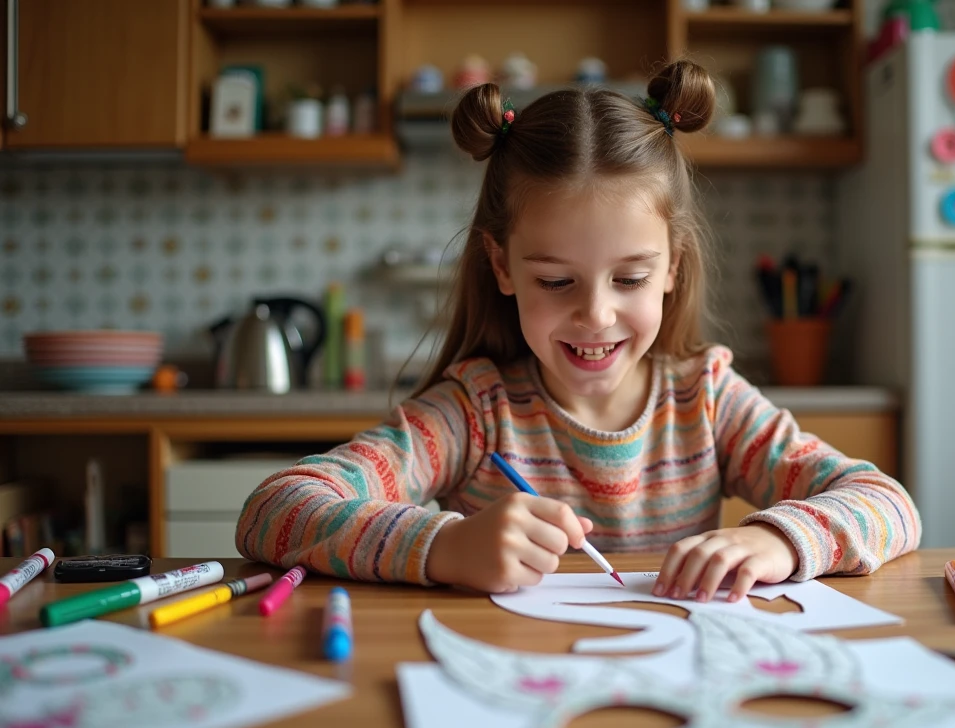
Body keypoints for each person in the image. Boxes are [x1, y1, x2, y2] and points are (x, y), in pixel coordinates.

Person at [236, 60, 920, 603]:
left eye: (629, 278)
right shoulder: (474, 411)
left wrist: (778, 541)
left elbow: (889, 504)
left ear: (671, 268)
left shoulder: (708, 400)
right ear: (502, 266)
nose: (596, 315)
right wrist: (444, 547)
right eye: (557, 282)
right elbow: (274, 510)